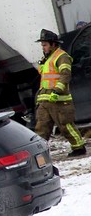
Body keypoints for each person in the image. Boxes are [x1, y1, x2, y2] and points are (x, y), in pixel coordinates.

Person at [34, 29, 86, 157]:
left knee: (65, 126)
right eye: (42, 45)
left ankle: (79, 148)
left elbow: (65, 75)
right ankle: (39, 153)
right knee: (41, 127)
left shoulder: (62, 57)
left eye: (45, 44)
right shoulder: (48, 58)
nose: (43, 47)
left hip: (59, 100)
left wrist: (57, 91)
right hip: (45, 100)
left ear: (53, 44)